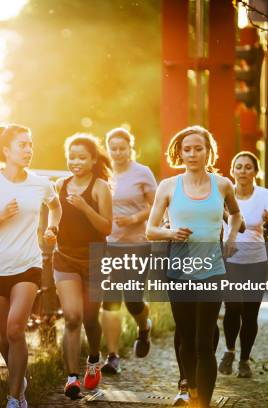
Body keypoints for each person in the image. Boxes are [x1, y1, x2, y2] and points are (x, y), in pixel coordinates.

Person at [146, 125, 242, 408]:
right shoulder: (168, 186)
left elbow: (236, 215)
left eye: (198, 148)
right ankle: (192, 390)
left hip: (213, 270)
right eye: (186, 149)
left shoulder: (223, 184)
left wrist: (232, 237)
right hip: (179, 271)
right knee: (186, 337)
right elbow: (150, 229)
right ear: (180, 152)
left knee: (204, 340)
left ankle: (203, 401)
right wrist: (170, 233)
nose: (192, 154)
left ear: (208, 151)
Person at [0, 124, 62, 408]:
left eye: (30, 144)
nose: (28, 150)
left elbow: (55, 206)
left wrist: (52, 227)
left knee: (15, 329)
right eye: (22, 145)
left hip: (28, 265)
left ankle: (15, 398)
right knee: (5, 338)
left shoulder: (40, 183)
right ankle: (18, 380)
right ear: (6, 150)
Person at [53, 133, 113, 399]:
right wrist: (49, 231)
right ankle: (71, 378)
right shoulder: (59, 185)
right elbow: (53, 218)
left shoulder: (100, 187)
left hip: (95, 259)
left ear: (92, 160)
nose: (75, 162)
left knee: (90, 317)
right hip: (65, 257)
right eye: (72, 156)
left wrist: (85, 207)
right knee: (72, 317)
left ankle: (93, 360)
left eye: (81, 157)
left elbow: (106, 227)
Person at [101, 127, 156, 375]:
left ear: (130, 148)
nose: (118, 152)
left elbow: (156, 206)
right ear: (108, 149)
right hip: (108, 245)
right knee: (110, 301)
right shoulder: (104, 173)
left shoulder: (142, 173)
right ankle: (112, 356)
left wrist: (135, 217)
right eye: (113, 148)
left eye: (122, 148)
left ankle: (144, 328)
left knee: (133, 300)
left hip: (137, 244)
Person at [218, 151, 268, 379]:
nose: (243, 171)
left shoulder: (265, 195)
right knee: (233, 308)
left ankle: (244, 360)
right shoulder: (224, 194)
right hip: (230, 260)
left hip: (256, 262)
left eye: (248, 167)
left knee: (251, 314)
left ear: (255, 171)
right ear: (232, 171)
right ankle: (229, 351)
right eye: (239, 167)